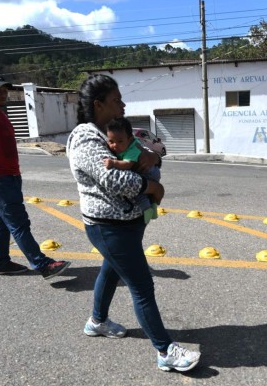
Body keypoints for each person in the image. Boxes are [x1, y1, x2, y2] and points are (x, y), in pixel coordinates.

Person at [66, 74, 200, 372]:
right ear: (99, 105)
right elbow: (114, 179)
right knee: (141, 287)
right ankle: (165, 350)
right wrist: (152, 188)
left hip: (125, 223)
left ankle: (96, 321)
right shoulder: (87, 138)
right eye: (117, 100)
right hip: (108, 227)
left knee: (111, 271)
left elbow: (146, 154)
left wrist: (154, 158)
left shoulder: (114, 132)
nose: (123, 105)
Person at [0, 72, 71, 279]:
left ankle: (1, 263)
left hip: (10, 177)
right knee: (19, 223)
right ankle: (43, 264)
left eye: (5, 90)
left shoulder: (0, 113)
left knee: (2, 223)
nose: (3, 94)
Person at [103, 117, 161, 224]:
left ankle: (146, 210)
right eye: (111, 141)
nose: (115, 145)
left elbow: (127, 165)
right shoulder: (124, 145)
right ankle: (152, 206)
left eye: (120, 141)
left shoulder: (132, 149)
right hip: (148, 170)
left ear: (129, 140)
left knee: (137, 192)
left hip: (150, 172)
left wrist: (113, 163)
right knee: (148, 194)